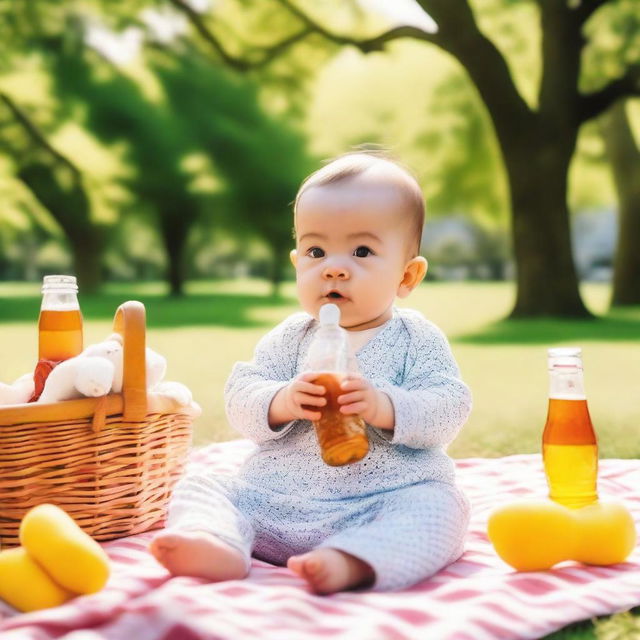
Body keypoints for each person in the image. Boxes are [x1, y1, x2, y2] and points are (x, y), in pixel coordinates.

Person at [150, 151, 472, 594]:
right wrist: (280, 400)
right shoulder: (290, 338)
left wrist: (387, 406)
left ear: (408, 276)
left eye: (362, 250)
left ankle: (350, 560)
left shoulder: (416, 339)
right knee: (203, 484)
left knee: (441, 507)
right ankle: (215, 542)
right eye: (316, 251)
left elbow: (449, 405)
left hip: (379, 502)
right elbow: (242, 395)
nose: (334, 267)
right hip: (274, 501)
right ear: (297, 262)